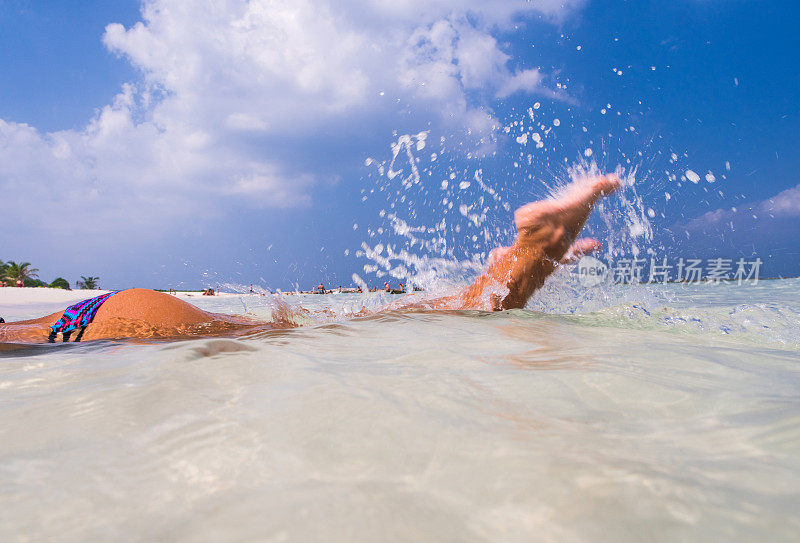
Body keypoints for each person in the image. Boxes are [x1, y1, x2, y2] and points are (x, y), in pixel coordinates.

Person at [0, 174, 620, 343]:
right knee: (356, 326)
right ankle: (529, 259)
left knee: (353, 332)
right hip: (104, 316)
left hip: (107, 323)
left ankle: (530, 253)